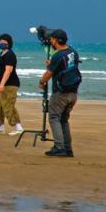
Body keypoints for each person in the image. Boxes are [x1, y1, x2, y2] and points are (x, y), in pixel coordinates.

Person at [38, 29, 81, 157]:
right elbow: (65, 66)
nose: (50, 41)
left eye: (52, 39)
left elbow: (49, 74)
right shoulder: (73, 52)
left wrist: (41, 82)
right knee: (64, 120)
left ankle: (59, 146)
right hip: (73, 92)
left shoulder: (57, 55)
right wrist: (52, 65)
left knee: (54, 117)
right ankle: (67, 148)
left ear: (56, 40)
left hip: (61, 93)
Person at [0, 33, 24, 136]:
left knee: (8, 106)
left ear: (9, 44)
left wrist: (2, 84)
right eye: (0, 42)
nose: (2, 44)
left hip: (10, 85)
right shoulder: (1, 53)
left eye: (4, 43)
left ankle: (18, 127)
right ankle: (0, 127)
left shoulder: (10, 54)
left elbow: (8, 70)